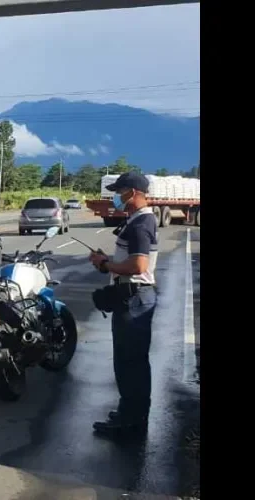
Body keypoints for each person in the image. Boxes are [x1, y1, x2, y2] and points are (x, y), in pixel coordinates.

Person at [88, 171, 158, 438]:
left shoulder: (141, 223)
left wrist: (107, 264)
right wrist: (107, 261)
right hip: (135, 296)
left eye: (121, 192)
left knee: (130, 362)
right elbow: (132, 262)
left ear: (135, 192)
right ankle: (131, 412)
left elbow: (138, 265)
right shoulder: (137, 220)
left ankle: (131, 422)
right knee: (132, 361)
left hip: (134, 298)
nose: (117, 196)